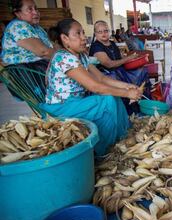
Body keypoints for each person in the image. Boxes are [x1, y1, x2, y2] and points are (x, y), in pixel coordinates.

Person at [41, 19, 142, 157]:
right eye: (78, 34)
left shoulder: (81, 56)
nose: (84, 38)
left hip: (78, 102)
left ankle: (122, 138)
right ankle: (106, 151)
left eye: (83, 32)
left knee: (113, 96)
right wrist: (127, 93)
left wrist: (127, 86)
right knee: (107, 101)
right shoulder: (64, 58)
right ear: (65, 39)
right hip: (63, 107)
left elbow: (101, 78)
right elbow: (95, 87)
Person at [89, 20, 151, 115]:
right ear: (95, 33)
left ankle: (143, 103)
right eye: (100, 32)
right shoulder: (96, 46)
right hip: (106, 74)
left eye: (106, 31)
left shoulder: (112, 43)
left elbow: (120, 59)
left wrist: (133, 60)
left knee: (142, 71)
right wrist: (128, 58)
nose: (103, 34)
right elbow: (108, 64)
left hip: (120, 71)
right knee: (118, 78)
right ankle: (127, 110)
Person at [1, 0, 55, 70]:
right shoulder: (18, 26)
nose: (35, 12)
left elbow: (51, 45)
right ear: (18, 13)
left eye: (36, 8)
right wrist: (64, 56)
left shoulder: (36, 27)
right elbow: (43, 52)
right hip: (27, 71)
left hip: (39, 66)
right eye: (30, 9)